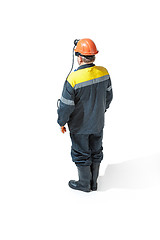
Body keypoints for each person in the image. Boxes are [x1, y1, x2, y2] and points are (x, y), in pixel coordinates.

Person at [57, 38, 113, 192]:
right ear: (94, 56)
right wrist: (99, 112)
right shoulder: (104, 72)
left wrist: (61, 122)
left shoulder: (73, 79)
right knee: (96, 151)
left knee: (81, 153)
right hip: (98, 123)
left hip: (79, 126)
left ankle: (84, 184)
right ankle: (94, 183)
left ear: (79, 57)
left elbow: (65, 106)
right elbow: (108, 97)